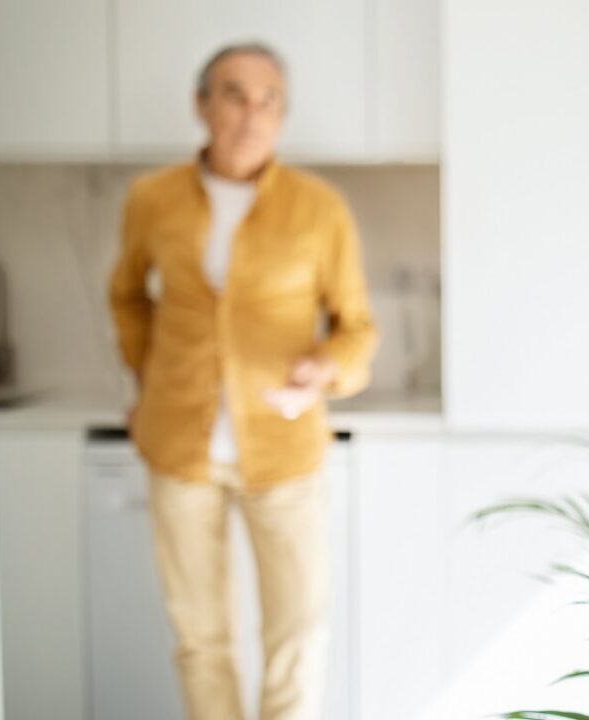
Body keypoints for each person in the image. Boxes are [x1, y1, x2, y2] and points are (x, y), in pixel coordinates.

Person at [107, 42, 379, 720]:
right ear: (202, 104)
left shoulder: (319, 209)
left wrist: (324, 367)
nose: (251, 114)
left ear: (281, 114)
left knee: (297, 633)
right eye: (234, 94)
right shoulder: (153, 199)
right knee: (201, 638)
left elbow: (357, 329)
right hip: (178, 446)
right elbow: (126, 296)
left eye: (268, 100)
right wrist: (147, 384)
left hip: (284, 454)